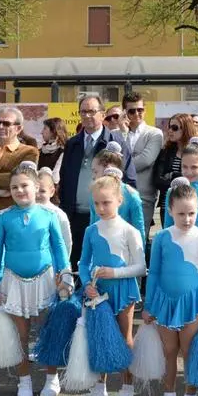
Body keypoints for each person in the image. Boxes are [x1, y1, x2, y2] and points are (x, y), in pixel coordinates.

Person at [0, 162, 73, 396]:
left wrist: (65, 275)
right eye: (14, 187)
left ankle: (51, 378)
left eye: (24, 185)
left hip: (45, 279)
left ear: (36, 187)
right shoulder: (3, 218)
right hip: (13, 281)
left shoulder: (49, 215)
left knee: (48, 331)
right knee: (20, 335)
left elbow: (59, 247)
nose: (19, 190)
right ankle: (23, 379)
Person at [143, 178, 198, 396]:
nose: (187, 219)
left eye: (192, 213)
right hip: (165, 302)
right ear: (170, 211)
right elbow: (153, 273)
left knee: (189, 351)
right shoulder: (163, 237)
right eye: (181, 214)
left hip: (193, 303)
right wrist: (149, 305)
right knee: (169, 350)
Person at [78, 172, 146, 396]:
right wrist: (87, 283)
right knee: (99, 336)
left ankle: (127, 387)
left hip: (123, 290)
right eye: (96, 203)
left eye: (106, 202)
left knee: (124, 337)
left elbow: (141, 267)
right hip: (98, 291)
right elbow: (83, 262)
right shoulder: (91, 230)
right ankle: (100, 387)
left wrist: (115, 273)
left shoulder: (129, 231)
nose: (100, 208)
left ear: (119, 200)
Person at [58, 94, 135, 269]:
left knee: (102, 265)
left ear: (102, 114)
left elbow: (129, 181)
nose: (87, 116)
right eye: (83, 112)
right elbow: (65, 178)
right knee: (77, 264)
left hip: (105, 216)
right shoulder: (72, 144)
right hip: (74, 216)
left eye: (92, 111)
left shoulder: (116, 143)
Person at [89, 145, 146, 247]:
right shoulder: (94, 194)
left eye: (95, 171)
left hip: (125, 252)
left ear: (108, 167)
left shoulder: (131, 195)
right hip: (100, 250)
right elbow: (92, 227)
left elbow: (139, 232)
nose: (93, 176)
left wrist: (140, 258)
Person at [123, 92, 164, 229]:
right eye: (132, 111)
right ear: (125, 112)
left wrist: (119, 165)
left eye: (140, 110)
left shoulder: (154, 133)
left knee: (139, 240)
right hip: (119, 196)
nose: (136, 114)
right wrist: (123, 133)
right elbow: (111, 158)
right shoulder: (118, 134)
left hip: (144, 196)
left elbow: (146, 160)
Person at [152, 114, 198, 226]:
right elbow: (157, 180)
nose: (170, 130)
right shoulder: (166, 152)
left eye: (175, 127)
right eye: (169, 127)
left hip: (190, 206)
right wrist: (180, 179)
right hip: (168, 206)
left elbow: (197, 180)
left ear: (186, 128)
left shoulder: (196, 152)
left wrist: (173, 175)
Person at [36, 168, 72, 255]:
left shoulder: (59, 215)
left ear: (52, 192)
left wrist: (63, 264)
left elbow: (66, 242)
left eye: (42, 191)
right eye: (35, 190)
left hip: (53, 263)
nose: (37, 195)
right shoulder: (24, 212)